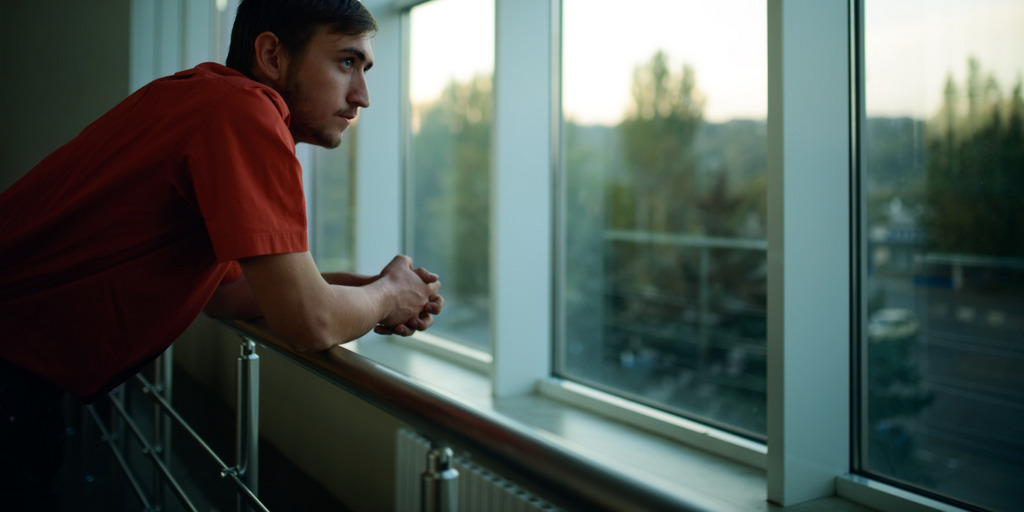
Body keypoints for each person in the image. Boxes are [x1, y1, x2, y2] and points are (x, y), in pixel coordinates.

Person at [0, 0, 442, 509]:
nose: (362, 95)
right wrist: (388, 297)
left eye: (365, 69)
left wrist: (364, 289)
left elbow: (230, 293)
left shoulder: (204, 98)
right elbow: (308, 323)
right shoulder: (244, 112)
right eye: (346, 62)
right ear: (272, 55)